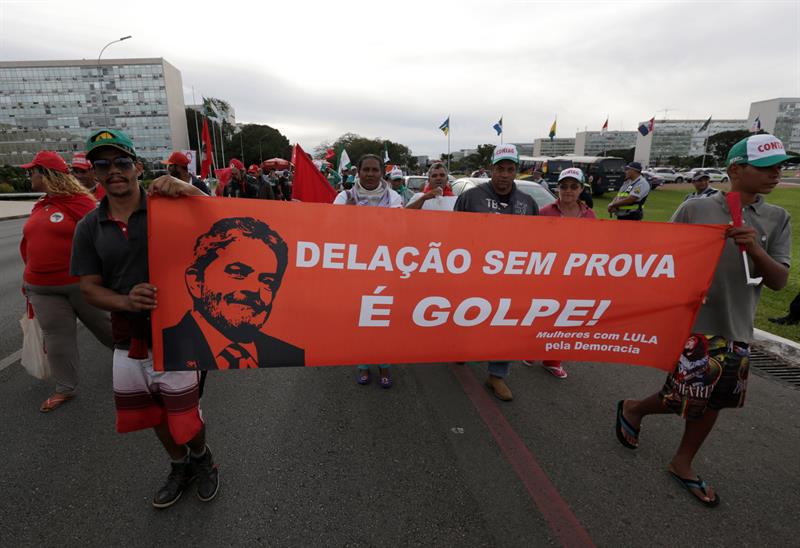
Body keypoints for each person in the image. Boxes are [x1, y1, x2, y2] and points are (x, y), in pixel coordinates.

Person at [616, 134, 792, 507]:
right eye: (765, 168)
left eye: (779, 166)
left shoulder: (777, 217)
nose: (776, 174)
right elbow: (661, 259)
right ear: (735, 170)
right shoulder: (696, 209)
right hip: (694, 322)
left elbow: (778, 281)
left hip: (737, 322)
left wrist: (755, 248)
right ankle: (637, 411)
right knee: (687, 394)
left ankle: (679, 456)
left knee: (715, 399)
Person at [70, 128, 219, 509]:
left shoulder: (165, 206)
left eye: (121, 162)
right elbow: (88, 287)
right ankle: (179, 464)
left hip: (178, 333)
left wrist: (192, 191)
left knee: (185, 415)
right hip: (127, 338)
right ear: (95, 172)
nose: (113, 171)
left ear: (137, 166)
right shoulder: (89, 226)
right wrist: (124, 300)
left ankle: (203, 459)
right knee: (153, 413)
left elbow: (219, 224)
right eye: (102, 164)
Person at [20, 151, 113, 412]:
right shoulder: (41, 204)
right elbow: (32, 244)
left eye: (33, 171)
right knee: (57, 338)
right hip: (41, 288)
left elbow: (104, 238)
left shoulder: (82, 203)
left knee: (109, 330)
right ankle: (66, 388)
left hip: (79, 284)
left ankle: (144, 359)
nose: (30, 175)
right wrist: (26, 278)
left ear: (47, 174)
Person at [162, 217, 305, 370]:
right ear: (196, 281)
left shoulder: (291, 355)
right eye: (238, 272)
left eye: (268, 281)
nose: (253, 289)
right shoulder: (165, 346)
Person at [454, 144, 538, 401]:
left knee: (505, 325)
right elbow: (454, 233)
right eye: (499, 169)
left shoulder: (527, 202)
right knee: (468, 314)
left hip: (511, 278)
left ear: (516, 171)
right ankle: (460, 348)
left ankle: (497, 375)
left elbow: (538, 242)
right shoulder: (471, 196)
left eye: (510, 169)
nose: (504, 174)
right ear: (491, 169)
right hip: (475, 273)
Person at [333, 154, 402, 387]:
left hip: (385, 266)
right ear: (358, 172)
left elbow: (397, 229)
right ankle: (363, 364)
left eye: (375, 170)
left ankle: (384, 363)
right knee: (361, 318)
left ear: (382, 172)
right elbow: (330, 231)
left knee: (383, 318)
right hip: (356, 269)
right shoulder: (344, 197)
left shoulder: (393, 196)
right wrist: (346, 216)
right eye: (366, 170)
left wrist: (356, 218)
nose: (371, 174)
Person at [522, 167, 596, 379]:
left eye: (574, 186)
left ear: (581, 188)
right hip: (547, 274)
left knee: (565, 317)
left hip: (575, 276)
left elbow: (595, 247)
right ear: (558, 188)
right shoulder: (545, 212)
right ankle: (530, 350)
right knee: (540, 313)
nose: (568, 191)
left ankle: (553, 360)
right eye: (564, 186)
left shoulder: (590, 215)